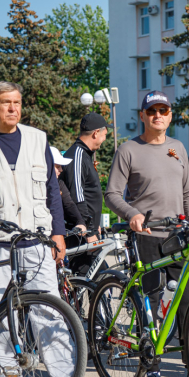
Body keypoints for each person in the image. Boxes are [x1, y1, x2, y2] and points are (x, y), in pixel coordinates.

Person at [0, 81, 100, 377]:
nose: (12, 108)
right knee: (3, 314)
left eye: (17, 102)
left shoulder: (37, 138)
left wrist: (58, 232)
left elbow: (52, 191)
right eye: (5, 102)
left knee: (51, 312)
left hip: (37, 241)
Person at [105, 90, 189, 377]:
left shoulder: (178, 148)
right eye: (152, 111)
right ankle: (152, 369)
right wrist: (133, 214)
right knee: (149, 303)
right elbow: (112, 194)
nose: (157, 116)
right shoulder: (128, 150)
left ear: (170, 115)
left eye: (163, 111)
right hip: (146, 237)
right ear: (142, 116)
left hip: (178, 236)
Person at [60, 113, 109, 275]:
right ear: (96, 133)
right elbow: (77, 197)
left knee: (100, 278)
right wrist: (90, 231)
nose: (104, 139)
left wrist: (95, 224)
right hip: (81, 234)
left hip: (87, 231)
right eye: (104, 135)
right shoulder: (78, 155)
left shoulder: (83, 154)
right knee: (96, 278)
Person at [50, 147, 87, 234]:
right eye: (57, 167)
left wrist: (80, 222)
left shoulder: (59, 183)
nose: (61, 170)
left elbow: (69, 204)